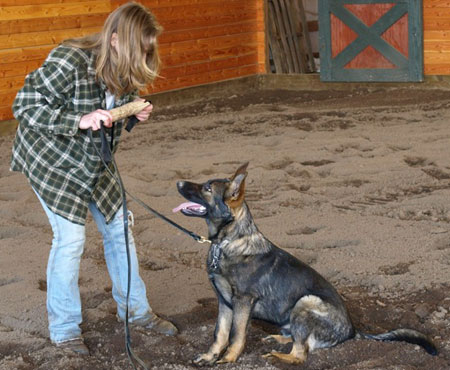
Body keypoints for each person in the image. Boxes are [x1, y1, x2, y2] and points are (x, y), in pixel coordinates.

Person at [10, 2, 177, 355]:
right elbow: (24, 104)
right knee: (70, 238)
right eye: (139, 50)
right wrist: (80, 120)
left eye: (148, 50)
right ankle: (65, 328)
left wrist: (134, 114)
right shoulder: (69, 59)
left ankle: (136, 311)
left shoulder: (125, 66)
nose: (145, 57)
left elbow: (115, 111)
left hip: (93, 162)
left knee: (119, 228)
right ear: (114, 40)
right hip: (52, 160)